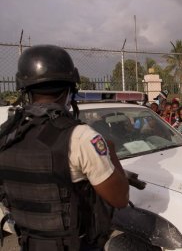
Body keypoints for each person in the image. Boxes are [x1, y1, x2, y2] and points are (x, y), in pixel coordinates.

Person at [0, 45, 129, 250]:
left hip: (28, 243)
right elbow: (120, 199)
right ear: (69, 89)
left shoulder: (6, 135)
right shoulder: (81, 138)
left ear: (24, 89)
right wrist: (111, 152)